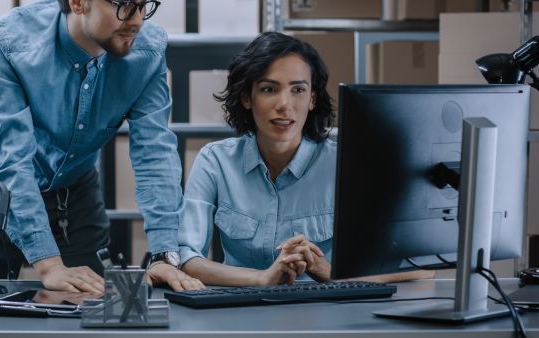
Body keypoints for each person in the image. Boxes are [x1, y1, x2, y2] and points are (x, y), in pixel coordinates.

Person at [0, 0, 204, 294]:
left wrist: (164, 252)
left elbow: (155, 153)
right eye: (124, 5)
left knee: (93, 300)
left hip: (73, 186)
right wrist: (48, 264)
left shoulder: (148, 53)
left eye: (145, 5)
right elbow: (12, 161)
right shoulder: (8, 45)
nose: (139, 21)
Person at [178, 32, 431, 286]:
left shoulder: (346, 166)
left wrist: (332, 273)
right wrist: (263, 278)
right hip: (238, 310)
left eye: (298, 90)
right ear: (246, 97)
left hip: (327, 314)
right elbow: (186, 257)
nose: (285, 104)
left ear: (312, 99)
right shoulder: (215, 162)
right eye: (269, 89)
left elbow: (419, 265)